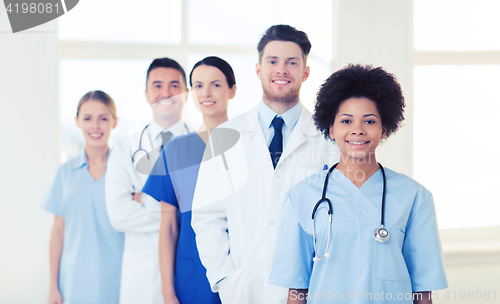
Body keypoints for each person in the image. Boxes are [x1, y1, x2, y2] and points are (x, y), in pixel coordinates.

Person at [268, 64, 448, 304]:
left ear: (384, 129)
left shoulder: (415, 197)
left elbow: (423, 292)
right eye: (346, 121)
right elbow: (297, 291)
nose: (358, 130)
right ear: (330, 129)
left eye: (369, 121)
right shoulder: (301, 196)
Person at [191, 25, 340, 304]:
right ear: (258, 70)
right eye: (273, 61)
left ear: (305, 72)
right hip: (244, 290)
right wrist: (225, 279)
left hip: (310, 291)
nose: (281, 70)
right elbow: (207, 217)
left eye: (292, 62)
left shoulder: (328, 140)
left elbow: (338, 220)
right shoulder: (225, 137)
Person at [142, 56, 235, 304]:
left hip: (242, 271)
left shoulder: (250, 146)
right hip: (192, 275)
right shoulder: (174, 152)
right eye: (198, 85)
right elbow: (169, 226)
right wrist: (167, 292)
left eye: (216, 84)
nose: (206, 92)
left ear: (232, 90)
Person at [105, 58, 192, 304]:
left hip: (188, 265)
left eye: (175, 85)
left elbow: (206, 214)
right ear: (146, 94)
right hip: (141, 274)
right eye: (157, 85)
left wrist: (146, 200)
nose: (166, 92)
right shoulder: (126, 148)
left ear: (186, 93)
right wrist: (173, 212)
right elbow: (118, 215)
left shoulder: (202, 145)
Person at [43, 91, 124, 304]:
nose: (95, 126)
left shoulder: (126, 173)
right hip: (73, 284)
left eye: (103, 118)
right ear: (77, 121)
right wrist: (53, 286)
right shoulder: (65, 173)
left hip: (119, 281)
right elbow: (58, 232)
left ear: (115, 122)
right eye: (87, 118)